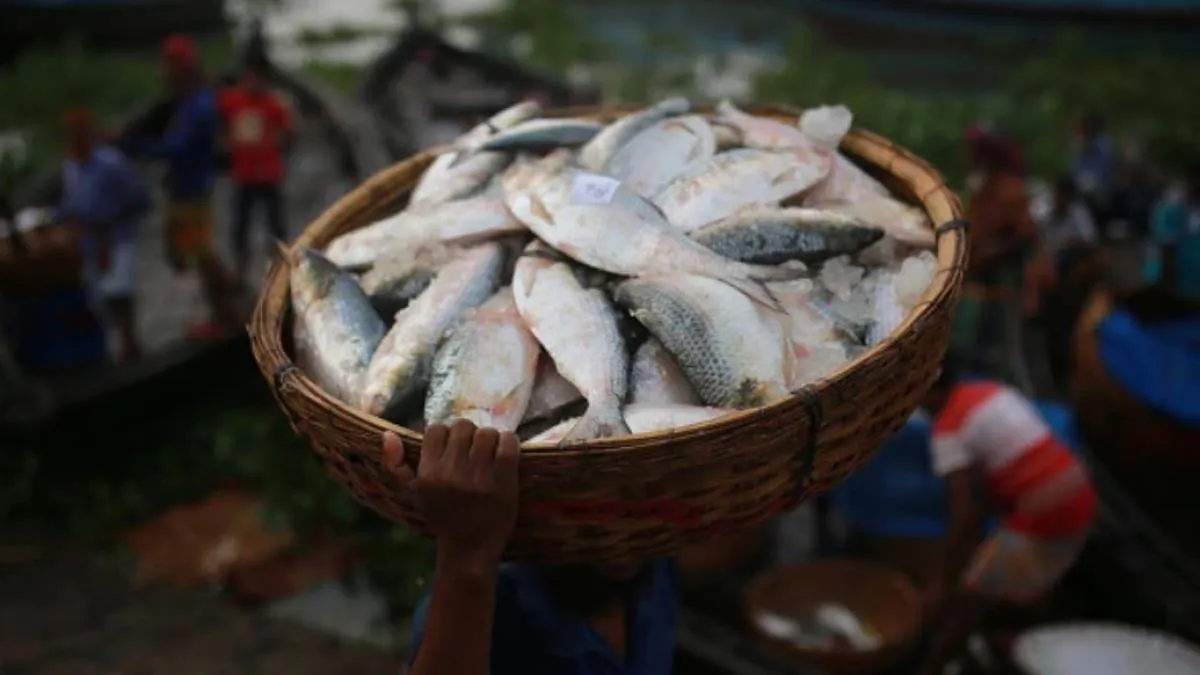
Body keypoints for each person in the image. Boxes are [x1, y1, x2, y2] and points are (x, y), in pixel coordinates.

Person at [382, 420, 678, 675]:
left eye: (637, 494)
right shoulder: (489, 609)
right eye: (599, 504)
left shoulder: (654, 567)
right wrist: (467, 555)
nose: (621, 518)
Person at [917, 354, 1098, 675]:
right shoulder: (986, 391)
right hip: (1080, 491)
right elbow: (992, 485)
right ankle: (1024, 640)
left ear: (928, 392)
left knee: (971, 597)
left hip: (1046, 514)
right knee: (1034, 580)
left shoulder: (947, 429)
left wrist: (941, 582)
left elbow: (964, 514)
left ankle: (934, 665)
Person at [122, 33, 239, 339]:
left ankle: (224, 314)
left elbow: (175, 148)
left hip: (192, 191)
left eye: (169, 65)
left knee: (201, 254)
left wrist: (135, 144)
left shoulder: (198, 105)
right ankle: (226, 299)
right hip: (187, 188)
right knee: (196, 252)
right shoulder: (190, 100)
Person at [53, 107, 152, 364]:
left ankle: (132, 344)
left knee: (120, 291)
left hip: (114, 234)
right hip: (88, 239)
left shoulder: (110, 163)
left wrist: (112, 217)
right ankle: (116, 341)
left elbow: (139, 197)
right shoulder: (71, 165)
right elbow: (71, 200)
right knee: (100, 296)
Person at [957, 124, 1039, 381]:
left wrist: (992, 255)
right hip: (977, 289)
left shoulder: (1010, 189)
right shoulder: (981, 187)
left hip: (1002, 291)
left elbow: (1026, 236)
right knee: (972, 354)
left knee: (1004, 359)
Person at [218, 59, 293, 289]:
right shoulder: (231, 101)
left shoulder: (273, 105)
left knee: (275, 226)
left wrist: (275, 143)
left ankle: (279, 270)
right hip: (244, 176)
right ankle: (240, 271)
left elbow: (289, 132)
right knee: (240, 226)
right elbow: (219, 120)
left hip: (268, 174)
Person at [1143, 162, 1200, 308]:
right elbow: (1166, 252)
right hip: (1174, 290)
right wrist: (1169, 296)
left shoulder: (1194, 205)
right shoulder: (1171, 207)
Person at [1070, 112, 1114, 217]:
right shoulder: (1077, 156)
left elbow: (1106, 180)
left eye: (1083, 134)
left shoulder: (1104, 151)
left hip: (1102, 203)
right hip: (1081, 202)